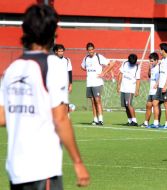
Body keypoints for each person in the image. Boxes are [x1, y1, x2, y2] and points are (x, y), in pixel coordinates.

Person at [0, 4, 90, 189]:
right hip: (42, 168)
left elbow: (2, 117)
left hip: (16, 169)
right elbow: (60, 118)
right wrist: (78, 162)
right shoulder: (53, 65)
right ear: (52, 33)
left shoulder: (12, 69)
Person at [81, 42, 115, 125]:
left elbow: (111, 64)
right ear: (87, 51)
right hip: (89, 82)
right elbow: (82, 66)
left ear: (94, 49)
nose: (91, 51)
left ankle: (100, 120)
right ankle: (95, 119)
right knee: (92, 101)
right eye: (89, 50)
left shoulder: (99, 57)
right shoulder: (85, 58)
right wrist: (89, 71)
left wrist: (103, 73)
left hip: (97, 82)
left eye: (92, 49)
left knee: (97, 100)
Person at [153, 43, 167, 129]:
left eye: (160, 50)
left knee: (166, 105)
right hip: (160, 86)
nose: (159, 51)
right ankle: (156, 123)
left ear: (163, 50)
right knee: (155, 103)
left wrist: (165, 86)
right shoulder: (162, 60)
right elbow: (161, 74)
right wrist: (157, 83)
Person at [117, 54, 141, 126]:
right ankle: (130, 121)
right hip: (123, 88)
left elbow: (138, 80)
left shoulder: (137, 67)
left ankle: (135, 121)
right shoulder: (125, 63)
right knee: (125, 105)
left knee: (129, 104)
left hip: (130, 89)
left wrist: (137, 90)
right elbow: (120, 74)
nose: (132, 64)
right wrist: (118, 85)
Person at [140, 52, 161, 128]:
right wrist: (149, 68)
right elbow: (149, 76)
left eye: (152, 61)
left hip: (156, 89)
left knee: (155, 105)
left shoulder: (159, 67)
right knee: (148, 105)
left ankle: (156, 123)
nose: (151, 62)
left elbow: (161, 77)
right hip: (151, 90)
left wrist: (157, 84)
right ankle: (146, 122)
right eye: (150, 61)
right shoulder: (152, 67)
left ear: (156, 60)